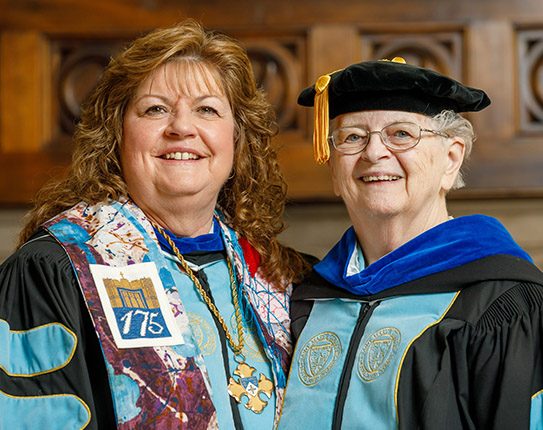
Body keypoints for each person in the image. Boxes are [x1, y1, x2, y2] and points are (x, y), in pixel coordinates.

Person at [0, 20, 310, 430]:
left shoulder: (285, 278)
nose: (182, 128)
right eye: (155, 109)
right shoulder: (53, 272)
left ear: (237, 137)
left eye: (207, 110)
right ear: (117, 134)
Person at [277, 58, 543, 429]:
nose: (374, 153)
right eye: (353, 137)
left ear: (451, 159)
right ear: (334, 169)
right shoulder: (304, 297)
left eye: (401, 134)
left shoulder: (504, 304)